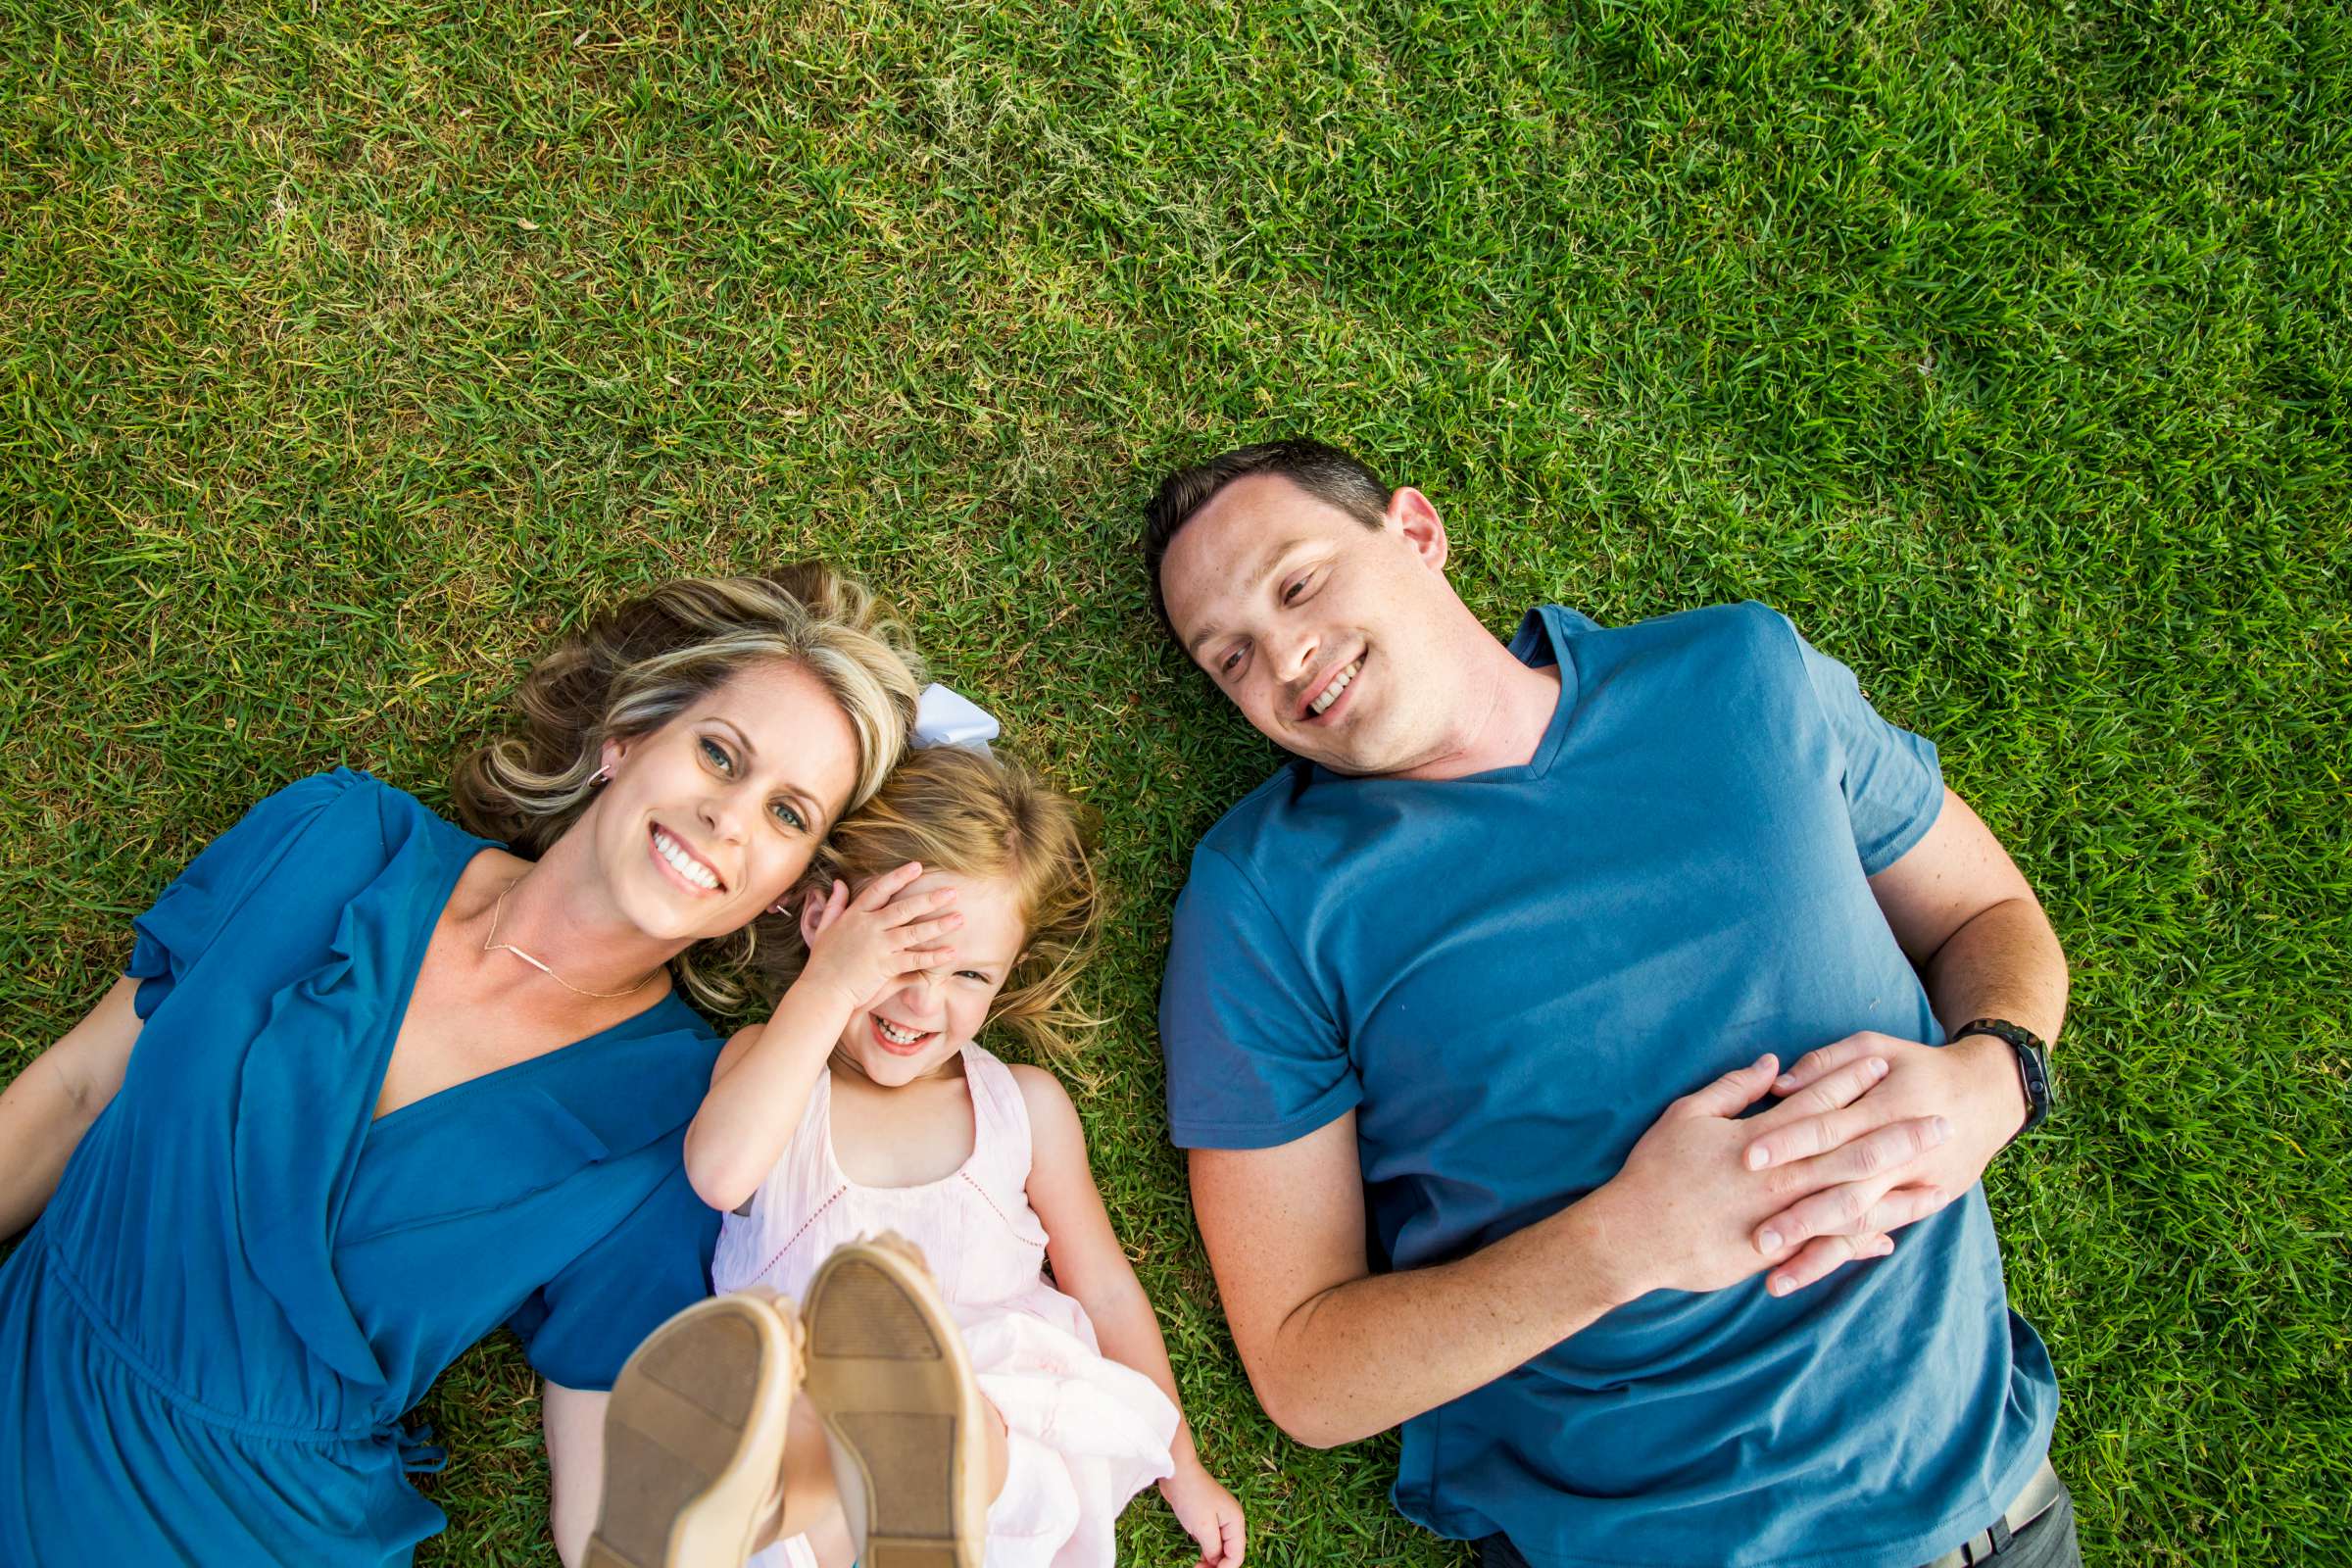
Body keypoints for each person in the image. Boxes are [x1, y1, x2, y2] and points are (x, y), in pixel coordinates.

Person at [1145, 440, 2078, 1568]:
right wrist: (1627, 1241)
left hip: (2004, 1510)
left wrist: (1999, 1074)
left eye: (1298, 584)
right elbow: (1306, 1372)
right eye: (1230, 657)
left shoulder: (1742, 673)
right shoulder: (1266, 903)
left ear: (1418, 531)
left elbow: (1984, 913)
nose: (1285, 659)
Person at [0, 566, 924, 1567]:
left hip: (249, 1531)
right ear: (624, 741)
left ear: (785, 891)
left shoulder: (672, 1130)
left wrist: (824, 1479)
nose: (732, 819)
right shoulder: (336, 839)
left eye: (790, 816)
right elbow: (79, 1087)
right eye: (718, 754)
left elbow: (608, 1521)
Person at [580, 743, 1247, 1568]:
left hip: (990, 1446)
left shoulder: (1022, 1108)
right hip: (808, 1442)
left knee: (958, 1421)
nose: (924, 1000)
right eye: (902, 956)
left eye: (970, 974)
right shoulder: (775, 1069)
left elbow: (1105, 1289)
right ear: (828, 922)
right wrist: (824, 991)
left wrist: (1182, 1467)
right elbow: (719, 1175)